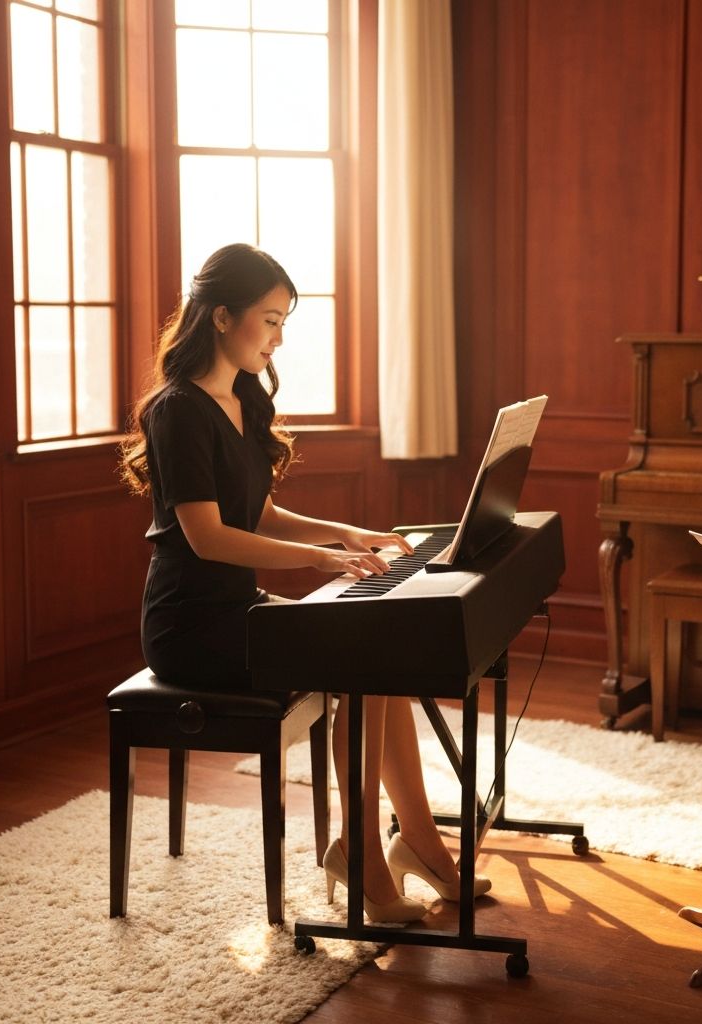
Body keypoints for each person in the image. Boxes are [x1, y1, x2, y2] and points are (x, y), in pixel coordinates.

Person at [120, 242, 489, 924]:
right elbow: (208, 537)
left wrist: (344, 534)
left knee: (381, 655)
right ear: (222, 317)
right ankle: (366, 858)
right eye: (270, 320)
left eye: (285, 321)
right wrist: (320, 563)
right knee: (364, 658)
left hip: (238, 606)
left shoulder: (238, 399)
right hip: (189, 626)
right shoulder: (177, 409)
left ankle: (417, 844)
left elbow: (257, 515)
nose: (279, 337)